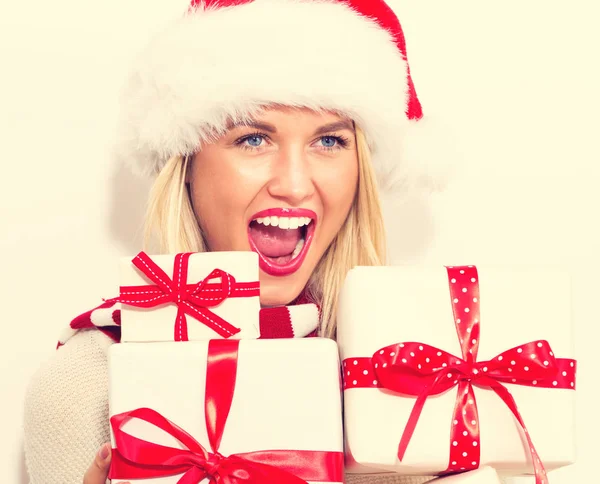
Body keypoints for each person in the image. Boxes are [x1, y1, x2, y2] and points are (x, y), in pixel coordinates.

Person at [22, 1, 450, 483]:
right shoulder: (90, 383)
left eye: (329, 141)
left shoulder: (418, 374)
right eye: (252, 139)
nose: (293, 183)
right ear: (185, 167)